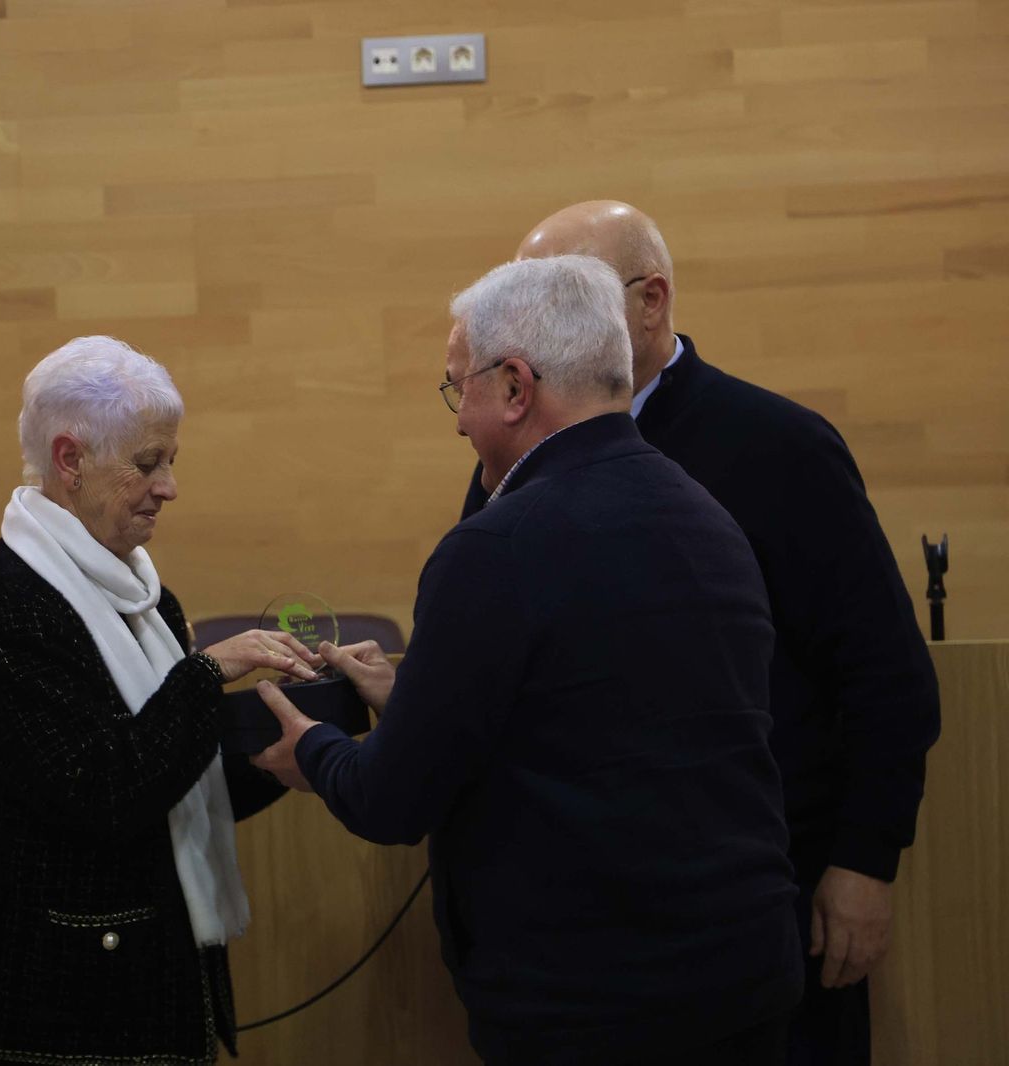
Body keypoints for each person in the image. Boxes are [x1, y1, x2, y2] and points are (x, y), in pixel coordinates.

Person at [254, 255, 803, 1065]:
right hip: (744, 980)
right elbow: (602, 718)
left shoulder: (494, 547)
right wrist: (414, 696)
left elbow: (391, 803)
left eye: (459, 389)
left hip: (593, 1005)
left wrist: (309, 748)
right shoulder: (709, 518)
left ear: (515, 386)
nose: (456, 422)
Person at [466, 201, 941, 1065]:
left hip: (761, 916)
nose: (531, 323)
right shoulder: (513, 460)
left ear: (652, 302)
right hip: (581, 941)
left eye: (568, 291)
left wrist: (866, 862)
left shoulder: (779, 448)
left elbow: (887, 678)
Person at [0, 335, 321, 1065]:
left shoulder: (137, 592)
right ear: (70, 461)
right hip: (43, 1016)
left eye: (171, 462)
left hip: (128, 984)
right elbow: (102, 789)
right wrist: (205, 673)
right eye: (147, 464)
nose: (169, 488)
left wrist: (277, 763)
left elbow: (168, 770)